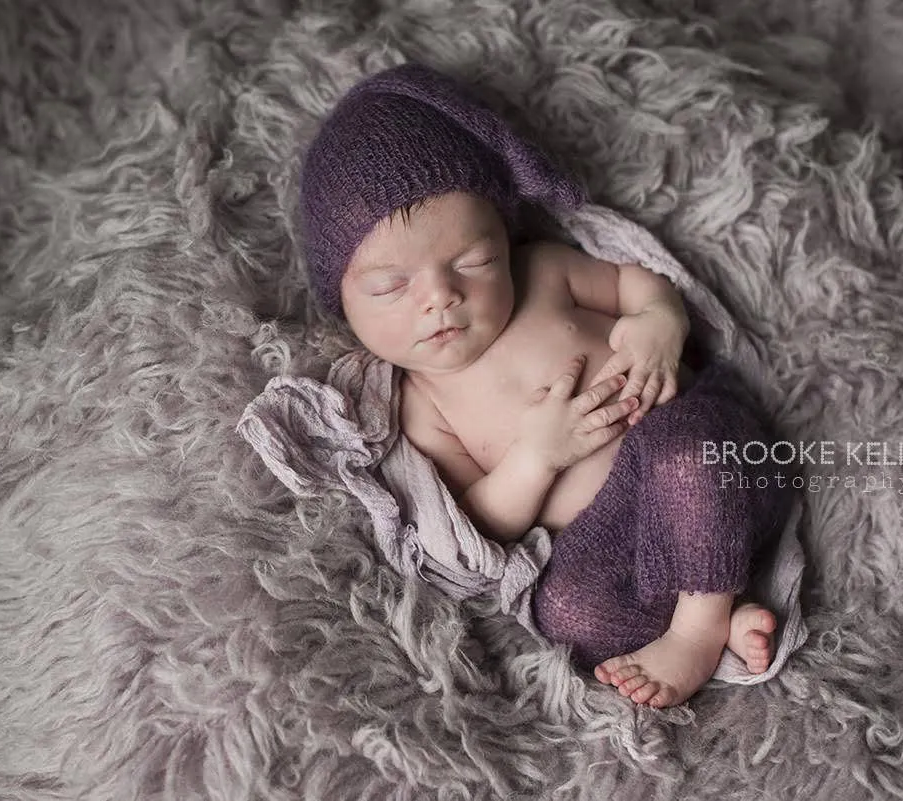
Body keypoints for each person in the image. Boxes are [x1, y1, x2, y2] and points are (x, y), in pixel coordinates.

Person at [296, 62, 794, 708]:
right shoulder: (420, 404)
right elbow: (478, 520)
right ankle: (720, 602)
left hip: (690, 440)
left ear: (504, 236)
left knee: (690, 457)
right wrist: (536, 454)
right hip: (609, 533)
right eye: (392, 286)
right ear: (343, 302)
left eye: (473, 261)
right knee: (567, 611)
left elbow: (632, 281)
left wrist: (658, 320)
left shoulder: (544, 273)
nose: (442, 297)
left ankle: (698, 632)